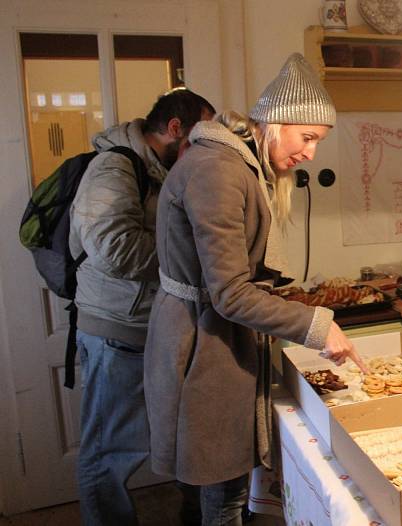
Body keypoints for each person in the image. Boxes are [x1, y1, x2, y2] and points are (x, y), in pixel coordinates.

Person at [143, 53, 367, 526]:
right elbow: (229, 293)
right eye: (307, 138)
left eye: (317, 142)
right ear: (275, 123)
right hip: (203, 342)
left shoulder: (236, 165)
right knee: (222, 494)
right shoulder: (217, 171)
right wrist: (318, 327)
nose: (311, 153)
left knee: (218, 488)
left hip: (213, 335)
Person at [69, 88, 216, 526]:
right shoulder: (114, 166)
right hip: (118, 332)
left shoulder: (166, 171)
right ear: (174, 129)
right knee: (110, 452)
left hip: (159, 327)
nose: (202, 151)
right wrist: (193, 261)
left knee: (185, 435)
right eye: (197, 138)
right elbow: (114, 247)